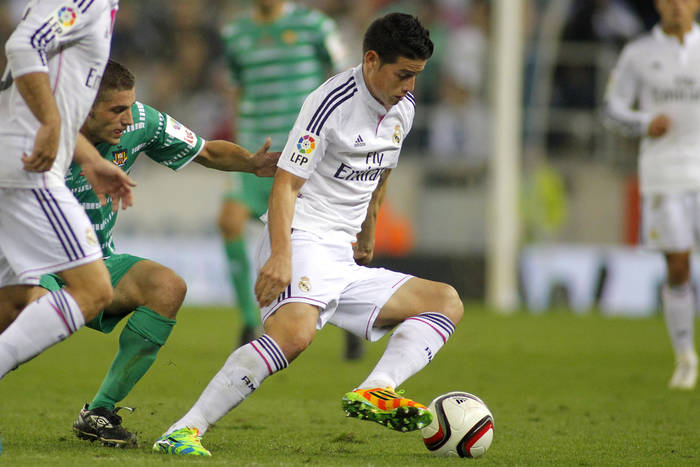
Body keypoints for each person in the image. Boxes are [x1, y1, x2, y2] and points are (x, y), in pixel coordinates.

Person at [153, 12, 464, 457]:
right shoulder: (330, 103)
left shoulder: (404, 109)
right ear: (371, 60)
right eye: (403, 75)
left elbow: (382, 171)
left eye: (416, 76)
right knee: (294, 337)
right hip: (303, 235)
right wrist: (280, 255)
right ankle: (184, 430)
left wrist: (369, 227)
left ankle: (377, 387)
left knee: (445, 302)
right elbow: (286, 184)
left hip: (341, 251)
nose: (410, 87)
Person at [0, 59, 279, 447]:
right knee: (27, 311)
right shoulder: (38, 133)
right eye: (117, 110)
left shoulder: (142, 122)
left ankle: (99, 412)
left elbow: (207, 152)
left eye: (130, 106)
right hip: (29, 261)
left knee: (166, 287)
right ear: (84, 106)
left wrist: (250, 163)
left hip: (94, 261)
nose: (128, 119)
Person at [218, 0, 365, 359]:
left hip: (306, 150)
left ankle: (350, 318)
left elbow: (348, 78)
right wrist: (239, 143)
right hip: (257, 150)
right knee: (230, 220)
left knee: (323, 238)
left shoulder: (315, 26)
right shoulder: (235, 34)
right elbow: (237, 89)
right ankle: (249, 321)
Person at [0, 0, 135, 383]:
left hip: (17, 158)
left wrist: (90, 159)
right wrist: (50, 121)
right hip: (28, 167)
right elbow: (24, 45)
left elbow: (56, 91)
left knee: (11, 304)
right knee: (93, 290)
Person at [604, 0, 700, 389]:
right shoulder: (639, 53)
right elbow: (612, 108)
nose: (677, 6)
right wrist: (644, 122)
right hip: (665, 174)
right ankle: (686, 357)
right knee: (678, 265)